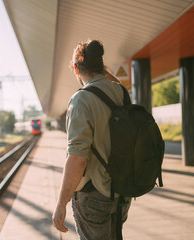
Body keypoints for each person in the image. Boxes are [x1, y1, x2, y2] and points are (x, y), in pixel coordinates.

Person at [52, 39, 132, 240]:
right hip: (121, 192)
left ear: (76, 69)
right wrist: (101, 69)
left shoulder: (80, 100)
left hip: (94, 196)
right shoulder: (121, 92)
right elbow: (114, 82)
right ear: (102, 66)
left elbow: (78, 158)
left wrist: (61, 203)